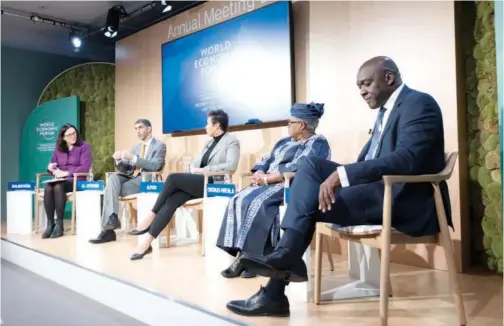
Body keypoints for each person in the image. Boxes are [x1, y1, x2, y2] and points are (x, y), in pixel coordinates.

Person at [226, 56, 452, 317]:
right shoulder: (384, 112)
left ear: (389, 78)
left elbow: (407, 159)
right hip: (376, 192)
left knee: (305, 207)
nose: (362, 92)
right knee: (311, 165)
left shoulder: (418, 103)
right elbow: (372, 160)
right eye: (359, 87)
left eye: (366, 84)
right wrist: (338, 177)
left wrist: (342, 175)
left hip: (401, 198)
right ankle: (285, 261)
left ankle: (278, 282)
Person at [217, 102, 331, 279]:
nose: (288, 125)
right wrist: (261, 171)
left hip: (292, 185)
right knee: (238, 199)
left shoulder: (318, 143)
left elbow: (303, 167)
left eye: (290, 122)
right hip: (268, 181)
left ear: (302, 125)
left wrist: (269, 178)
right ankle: (243, 257)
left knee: (257, 202)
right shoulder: (284, 142)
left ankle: (250, 259)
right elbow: (267, 158)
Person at [128, 109, 240, 260]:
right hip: (200, 182)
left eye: (207, 124)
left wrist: (203, 170)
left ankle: (150, 216)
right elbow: (195, 162)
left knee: (173, 178)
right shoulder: (208, 144)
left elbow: (231, 166)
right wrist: (192, 170)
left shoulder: (231, 141)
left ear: (217, 125)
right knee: (171, 200)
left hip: (215, 183)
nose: (205, 127)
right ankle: (146, 243)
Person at [89, 119, 167, 244]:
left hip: (146, 181)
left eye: (140, 128)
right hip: (131, 177)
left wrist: (133, 158)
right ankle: (113, 218)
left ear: (149, 129)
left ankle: (107, 231)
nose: (138, 131)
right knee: (113, 178)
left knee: (110, 189)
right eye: (135, 129)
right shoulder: (136, 147)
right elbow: (126, 169)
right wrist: (119, 161)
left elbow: (155, 166)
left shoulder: (159, 146)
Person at [42, 124, 92, 239]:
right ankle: (51, 224)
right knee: (48, 187)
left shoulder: (84, 146)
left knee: (58, 186)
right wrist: (51, 167)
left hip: (77, 181)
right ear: (63, 137)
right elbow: (52, 163)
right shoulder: (59, 148)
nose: (73, 136)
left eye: (74, 133)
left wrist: (66, 173)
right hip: (61, 180)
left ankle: (60, 225)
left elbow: (85, 167)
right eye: (69, 135)